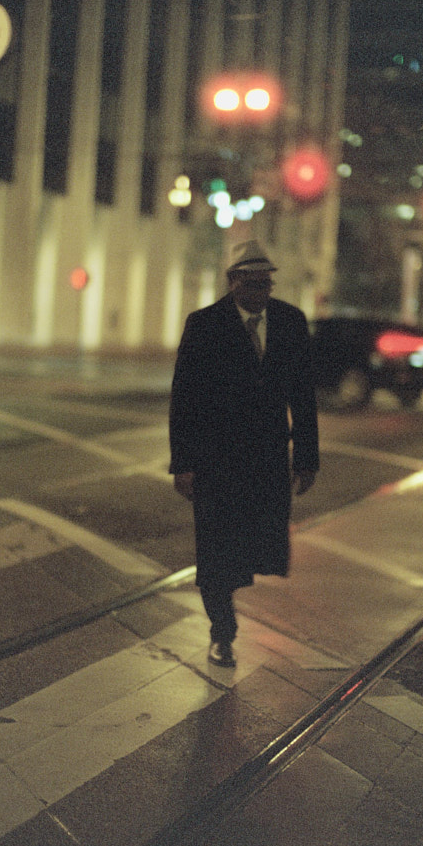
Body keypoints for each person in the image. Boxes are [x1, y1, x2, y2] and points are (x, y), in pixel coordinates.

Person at [169, 239, 319, 667]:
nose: (261, 293)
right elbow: (184, 400)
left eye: (266, 285)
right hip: (216, 460)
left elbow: (303, 397)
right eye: (252, 284)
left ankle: (226, 613)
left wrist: (307, 457)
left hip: (267, 459)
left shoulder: (291, 323)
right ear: (233, 283)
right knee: (215, 554)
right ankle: (222, 631)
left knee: (255, 545)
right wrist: (183, 464)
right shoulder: (204, 325)